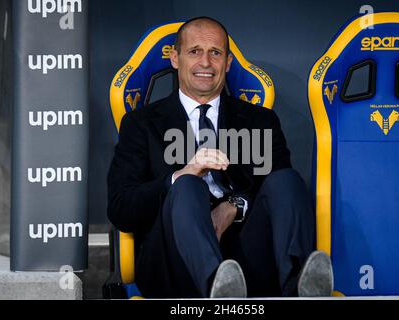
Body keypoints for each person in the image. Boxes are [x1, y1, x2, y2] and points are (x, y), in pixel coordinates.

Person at [107, 16, 333, 298]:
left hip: (247, 256)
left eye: (215, 53)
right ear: (175, 58)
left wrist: (234, 205)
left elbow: (278, 194)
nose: (205, 63)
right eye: (194, 51)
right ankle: (217, 286)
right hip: (174, 261)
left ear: (227, 63)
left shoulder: (259, 120)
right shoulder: (140, 124)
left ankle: (301, 285)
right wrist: (180, 176)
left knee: (286, 180)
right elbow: (121, 209)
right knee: (188, 185)